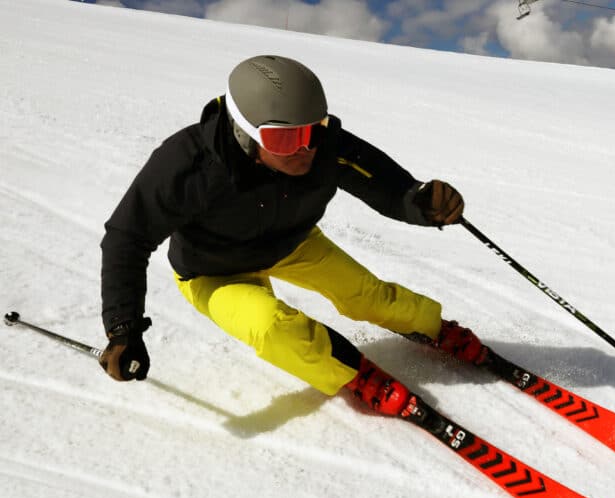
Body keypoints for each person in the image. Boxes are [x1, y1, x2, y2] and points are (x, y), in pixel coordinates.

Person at [99, 55, 487, 416]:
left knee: (368, 296)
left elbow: (387, 188)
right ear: (244, 134)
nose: (304, 149)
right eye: (285, 139)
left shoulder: (324, 148)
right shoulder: (188, 164)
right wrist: (123, 329)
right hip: (212, 272)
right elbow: (127, 237)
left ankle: (434, 328)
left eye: (313, 132)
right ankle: (351, 374)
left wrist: (421, 203)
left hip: (291, 243)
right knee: (274, 327)